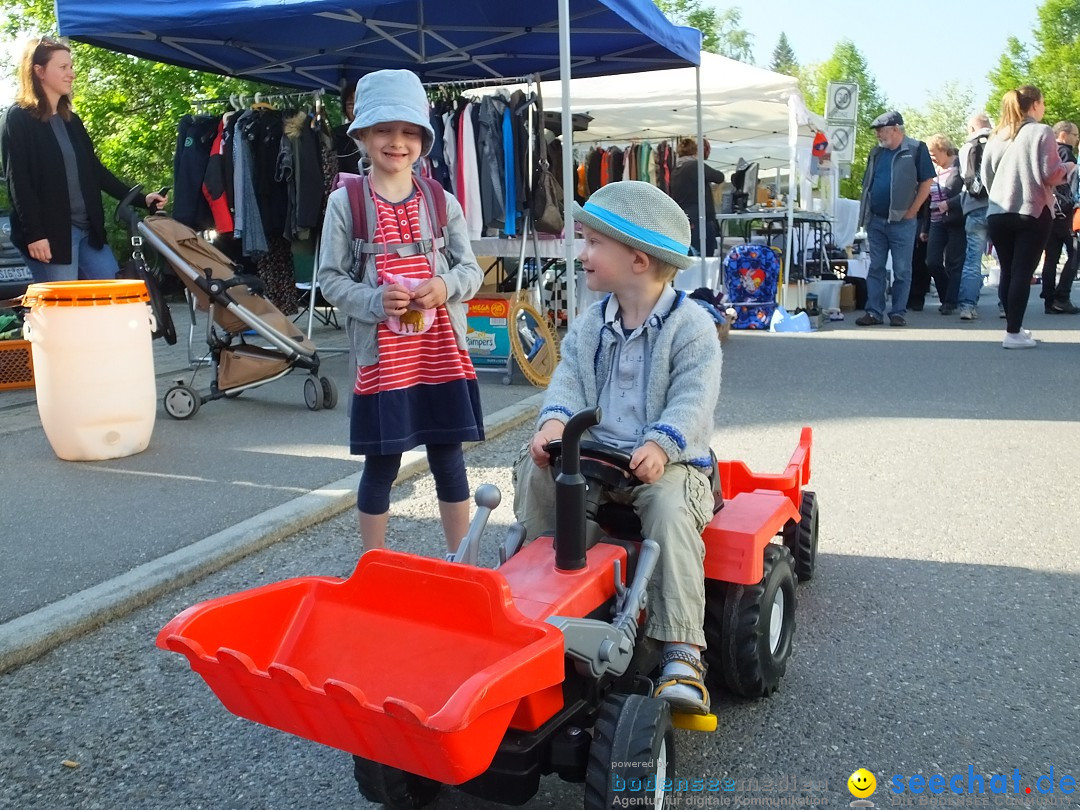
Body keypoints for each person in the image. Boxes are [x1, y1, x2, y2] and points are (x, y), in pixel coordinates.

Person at [512, 180, 723, 715]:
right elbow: (568, 383)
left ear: (637, 259)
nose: (581, 254)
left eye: (591, 243)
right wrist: (554, 425)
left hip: (670, 464)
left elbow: (693, 401)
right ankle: (536, 602)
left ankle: (682, 650)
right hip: (599, 458)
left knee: (670, 509)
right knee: (537, 472)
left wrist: (662, 441)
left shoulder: (692, 328)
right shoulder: (590, 325)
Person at [317, 69, 485, 554]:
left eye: (410, 131)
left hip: (440, 354)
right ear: (362, 135)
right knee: (381, 465)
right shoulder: (345, 202)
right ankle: (374, 565)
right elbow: (330, 278)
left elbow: (469, 271)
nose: (397, 142)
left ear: (424, 140)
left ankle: (462, 563)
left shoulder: (441, 200)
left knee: (449, 460)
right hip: (384, 364)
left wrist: (444, 285)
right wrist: (372, 301)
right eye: (384, 130)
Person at [0, 37, 167, 283]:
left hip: (89, 232)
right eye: (63, 67)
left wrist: (142, 199)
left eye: (71, 66)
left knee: (113, 298)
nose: (72, 74)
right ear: (39, 71)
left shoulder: (72, 121)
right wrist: (35, 235)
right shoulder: (17, 119)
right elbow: (19, 183)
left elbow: (95, 172)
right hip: (51, 236)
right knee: (64, 312)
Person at [983, 85, 1075, 349]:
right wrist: (1068, 167)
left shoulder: (997, 135)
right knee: (1022, 272)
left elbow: (986, 175)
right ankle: (1013, 333)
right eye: (1043, 102)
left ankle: (1014, 328)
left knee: (1010, 271)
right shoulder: (1041, 131)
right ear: (1035, 104)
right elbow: (1051, 174)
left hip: (998, 211)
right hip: (1031, 210)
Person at [856, 111, 935, 327]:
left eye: (881, 130)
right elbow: (868, 184)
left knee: (902, 269)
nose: (878, 135)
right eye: (878, 132)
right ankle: (873, 312)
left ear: (896, 130)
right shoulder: (876, 153)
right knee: (876, 268)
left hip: (903, 222)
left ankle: (898, 312)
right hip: (877, 220)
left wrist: (912, 211)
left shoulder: (917, 149)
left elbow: (927, 183)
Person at [1039, 120, 1079, 314]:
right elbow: (1066, 185)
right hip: (1065, 213)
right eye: (1075, 134)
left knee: (1051, 256)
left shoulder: (1048, 151)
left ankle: (1049, 298)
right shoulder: (1065, 153)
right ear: (1063, 134)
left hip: (1050, 211)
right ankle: (1061, 297)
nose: (1077, 139)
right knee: (1075, 253)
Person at [956, 113, 993, 320]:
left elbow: (964, 179)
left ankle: (968, 306)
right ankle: (1006, 306)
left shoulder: (966, 148)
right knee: (1005, 259)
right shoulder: (1000, 142)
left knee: (972, 259)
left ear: (971, 128)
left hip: (974, 208)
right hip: (998, 207)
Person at [925, 135, 966, 315]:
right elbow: (927, 199)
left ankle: (950, 301)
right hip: (935, 221)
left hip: (956, 219)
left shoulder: (961, 167)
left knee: (953, 262)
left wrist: (950, 203)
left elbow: (969, 192)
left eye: (933, 154)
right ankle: (946, 294)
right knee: (932, 261)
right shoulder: (933, 171)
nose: (932, 158)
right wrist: (924, 228)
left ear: (943, 150)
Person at [669, 137, 725, 257]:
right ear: (695, 152)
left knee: (691, 256)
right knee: (705, 257)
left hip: (685, 219)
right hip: (700, 219)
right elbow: (719, 177)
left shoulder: (676, 170)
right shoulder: (695, 166)